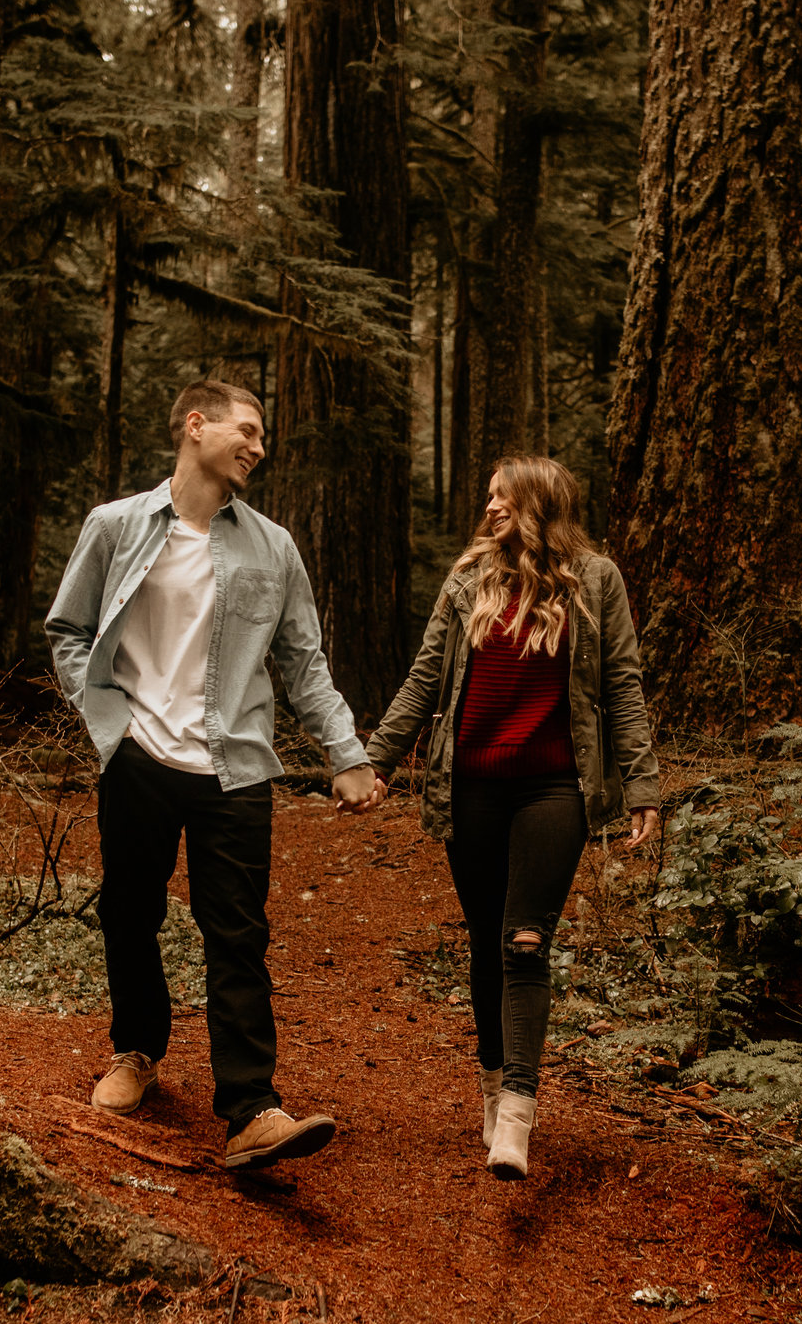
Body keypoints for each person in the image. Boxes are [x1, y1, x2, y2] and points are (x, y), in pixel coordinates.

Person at [46, 378, 383, 1172]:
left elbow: (304, 663)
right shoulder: (116, 525)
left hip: (233, 767)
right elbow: (67, 627)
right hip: (138, 759)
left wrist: (348, 750)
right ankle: (136, 1049)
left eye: (262, 435)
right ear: (195, 426)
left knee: (237, 932)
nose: (258, 446)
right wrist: (110, 724)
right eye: (248, 428)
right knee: (129, 911)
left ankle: (251, 1108)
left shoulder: (274, 546)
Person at [363, 456, 661, 1180]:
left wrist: (644, 784)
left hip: (554, 789)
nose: (489, 507)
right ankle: (493, 1086)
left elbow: (621, 681)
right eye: (489, 495)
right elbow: (426, 678)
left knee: (525, 940)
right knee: (485, 942)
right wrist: (372, 760)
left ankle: (519, 1114)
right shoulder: (468, 581)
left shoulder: (596, 580)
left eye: (502, 497)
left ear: (537, 503)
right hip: (471, 788)